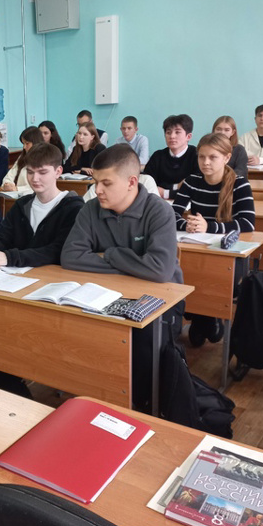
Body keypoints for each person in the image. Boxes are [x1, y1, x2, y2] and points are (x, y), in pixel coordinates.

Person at [61, 144, 184, 410]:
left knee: (141, 343)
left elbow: (161, 270)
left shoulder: (159, 211)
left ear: (131, 182)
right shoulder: (90, 209)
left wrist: (111, 255)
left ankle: (138, 406)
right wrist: (136, 263)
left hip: (162, 302)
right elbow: (70, 256)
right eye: (95, 182)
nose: (98, 190)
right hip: (108, 293)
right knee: (74, 332)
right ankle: (92, 400)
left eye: (106, 183)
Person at [172, 132, 255, 347]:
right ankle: (203, 318)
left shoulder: (239, 184)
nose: (205, 162)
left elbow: (247, 223)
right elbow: (172, 215)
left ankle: (205, 318)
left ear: (227, 158)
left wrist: (210, 227)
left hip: (227, 253)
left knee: (209, 279)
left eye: (212, 157)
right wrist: (188, 225)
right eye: (201, 157)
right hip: (196, 248)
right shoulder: (191, 181)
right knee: (184, 272)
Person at [0, 142, 83, 268]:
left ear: (58, 171)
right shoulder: (21, 205)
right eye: (30, 172)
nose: (35, 178)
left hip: (52, 277)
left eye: (42, 172)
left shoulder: (74, 208)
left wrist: (9, 257)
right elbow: (0, 236)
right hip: (17, 276)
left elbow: (58, 251)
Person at [143, 114, 199, 199]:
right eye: (168, 132)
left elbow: (197, 189)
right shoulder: (157, 156)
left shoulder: (197, 155)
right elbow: (148, 185)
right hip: (158, 203)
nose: (172, 136)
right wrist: (176, 186)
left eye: (177, 132)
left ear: (188, 136)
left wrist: (166, 193)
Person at [1, 126, 44, 193]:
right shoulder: (22, 157)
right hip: (16, 194)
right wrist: (7, 184)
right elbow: (10, 175)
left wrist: (17, 189)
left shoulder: (44, 159)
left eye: (27, 143)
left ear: (35, 142)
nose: (24, 147)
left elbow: (39, 184)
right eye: (23, 143)